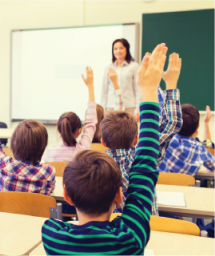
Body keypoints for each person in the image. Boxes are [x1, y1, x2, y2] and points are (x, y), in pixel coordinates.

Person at [42, 43, 166, 256]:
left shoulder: (52, 237)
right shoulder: (131, 238)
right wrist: (149, 90)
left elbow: (144, 166)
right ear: (119, 196)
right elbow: (144, 169)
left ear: (67, 196)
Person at [101, 52, 182, 215]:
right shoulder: (144, 159)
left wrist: (116, 87)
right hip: (146, 237)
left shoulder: (94, 168)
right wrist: (171, 83)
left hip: (109, 237)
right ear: (137, 139)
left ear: (102, 141)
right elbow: (172, 123)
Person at [0, 79, 56, 195]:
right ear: (43, 146)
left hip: (2, 213)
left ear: (14, 145)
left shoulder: (4, 166)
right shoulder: (48, 173)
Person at [43, 67, 97, 162]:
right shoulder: (81, 151)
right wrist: (90, 86)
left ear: (58, 129)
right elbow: (91, 123)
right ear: (79, 131)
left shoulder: (50, 152)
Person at [160, 104, 215, 176]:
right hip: (184, 186)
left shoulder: (166, 140)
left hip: (160, 184)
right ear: (198, 126)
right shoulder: (200, 150)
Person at [101, 38, 141, 121]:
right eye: (115, 49)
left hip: (129, 107)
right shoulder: (108, 68)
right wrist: (103, 109)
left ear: (127, 49)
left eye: (121, 48)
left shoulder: (134, 66)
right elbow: (104, 91)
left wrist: (137, 110)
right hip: (111, 107)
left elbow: (138, 90)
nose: (118, 51)